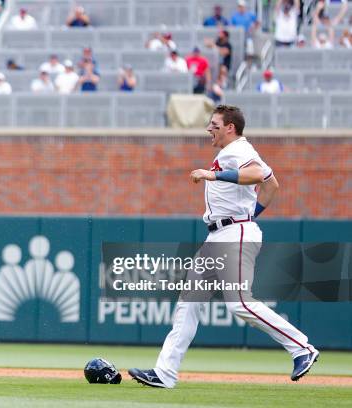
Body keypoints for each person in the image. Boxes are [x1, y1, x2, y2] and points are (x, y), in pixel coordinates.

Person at [128, 105, 319, 389]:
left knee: (240, 302)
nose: (209, 128)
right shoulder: (231, 152)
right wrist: (251, 213)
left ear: (230, 127)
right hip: (220, 234)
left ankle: (301, 347)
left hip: (234, 232)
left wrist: (215, 178)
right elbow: (272, 185)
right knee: (188, 304)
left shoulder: (237, 150)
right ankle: (165, 373)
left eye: (214, 124)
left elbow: (256, 174)